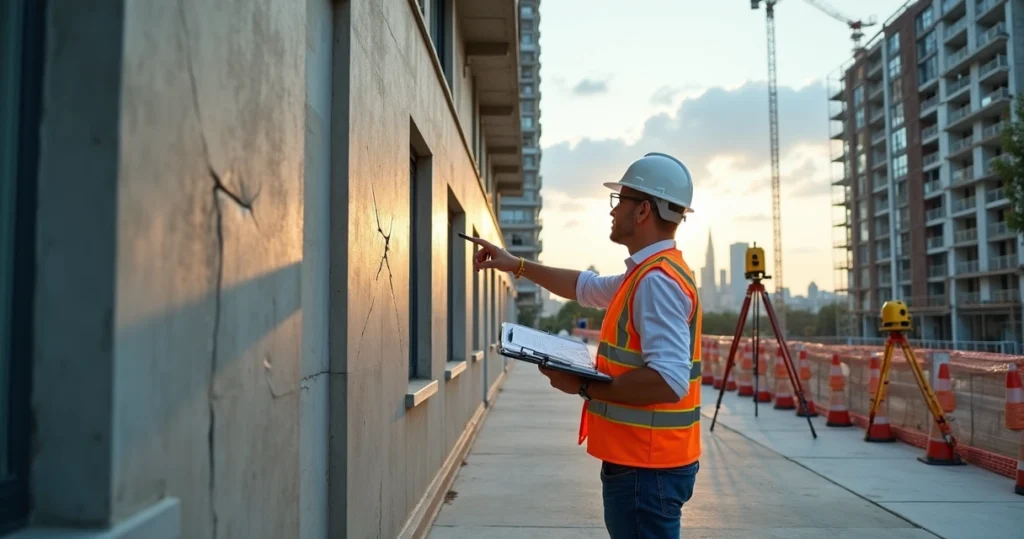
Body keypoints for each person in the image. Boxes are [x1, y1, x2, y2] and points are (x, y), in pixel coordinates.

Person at [465, 152, 702, 538]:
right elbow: (585, 287)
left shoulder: (656, 281)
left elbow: (669, 380)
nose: (613, 211)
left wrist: (582, 385)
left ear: (643, 210)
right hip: (647, 463)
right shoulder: (647, 274)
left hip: (646, 468)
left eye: (619, 200)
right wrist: (516, 265)